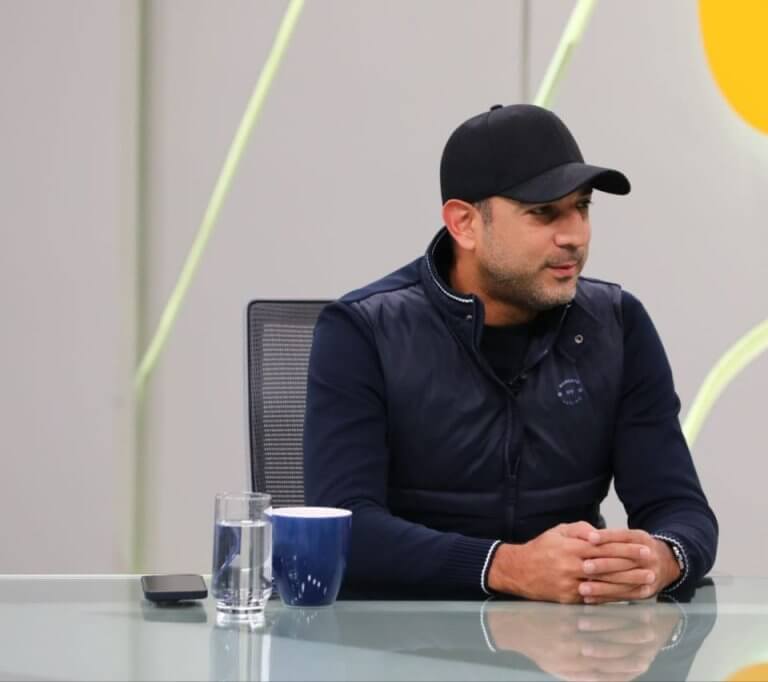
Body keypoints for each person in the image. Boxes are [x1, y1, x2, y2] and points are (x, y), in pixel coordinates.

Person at [304, 103, 717, 604]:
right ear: (465, 224)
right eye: (543, 212)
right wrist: (506, 567)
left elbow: (681, 509)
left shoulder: (618, 324)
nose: (574, 236)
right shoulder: (361, 330)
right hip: (403, 631)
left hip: (568, 635)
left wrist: (663, 559)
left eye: (582, 207)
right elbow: (345, 528)